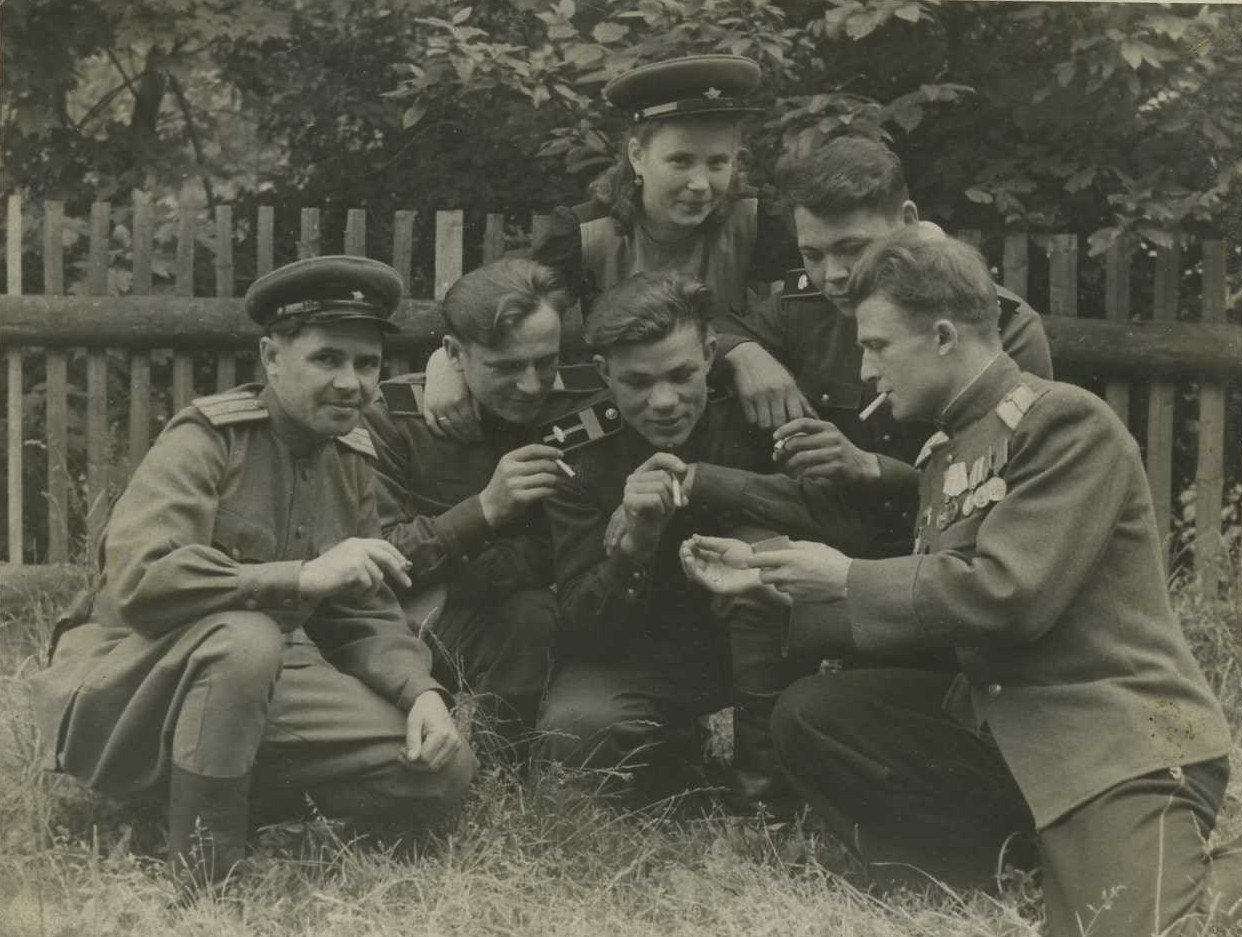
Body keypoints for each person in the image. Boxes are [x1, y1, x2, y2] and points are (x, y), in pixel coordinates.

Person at [681, 228, 1242, 937]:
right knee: (817, 713)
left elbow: (1008, 598)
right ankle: (1007, 862)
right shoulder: (950, 446)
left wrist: (847, 575)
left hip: (1116, 737)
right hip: (1008, 726)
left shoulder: (1064, 423)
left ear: (944, 335)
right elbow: (932, 611)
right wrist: (772, 586)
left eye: (876, 345)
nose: (864, 368)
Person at [32, 256, 476, 897]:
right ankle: (206, 869)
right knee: (247, 637)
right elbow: (142, 579)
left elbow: (365, 609)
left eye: (367, 363)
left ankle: (228, 794)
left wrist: (422, 693)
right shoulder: (207, 439)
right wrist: (300, 575)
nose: (351, 383)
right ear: (272, 357)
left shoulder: (350, 457)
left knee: (442, 767)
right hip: (135, 669)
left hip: (263, 676)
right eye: (328, 359)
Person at [537, 270, 867, 807]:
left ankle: (766, 786)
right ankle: (675, 749)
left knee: (761, 549)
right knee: (576, 731)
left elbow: (840, 519)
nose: (664, 401)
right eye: (638, 383)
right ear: (604, 373)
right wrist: (633, 548)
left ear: (712, 354)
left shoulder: (759, 413)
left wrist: (713, 483)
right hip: (647, 650)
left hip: (770, 646)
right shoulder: (578, 454)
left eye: (681, 374)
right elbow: (580, 625)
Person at [419, 54, 793, 441]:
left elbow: (805, 313)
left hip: (727, 420)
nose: (700, 183)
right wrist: (442, 364)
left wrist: (743, 348)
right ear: (637, 157)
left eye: (718, 163)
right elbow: (503, 303)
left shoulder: (757, 219)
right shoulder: (585, 231)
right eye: (681, 161)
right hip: (619, 425)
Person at [714, 135, 1054, 554]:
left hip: (939, 552)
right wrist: (742, 353)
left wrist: (872, 468)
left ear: (908, 221)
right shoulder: (803, 308)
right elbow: (704, 333)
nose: (834, 274)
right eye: (813, 255)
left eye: (852, 248)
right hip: (824, 537)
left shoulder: (1002, 327)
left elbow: (1006, 489)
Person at [363, 258, 608, 759]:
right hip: (413, 629)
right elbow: (377, 557)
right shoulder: (395, 422)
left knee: (532, 612)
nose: (533, 385)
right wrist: (484, 511)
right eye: (506, 368)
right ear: (453, 353)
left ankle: (502, 763)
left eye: (546, 361)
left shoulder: (583, 409)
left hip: (522, 622)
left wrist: (475, 570)